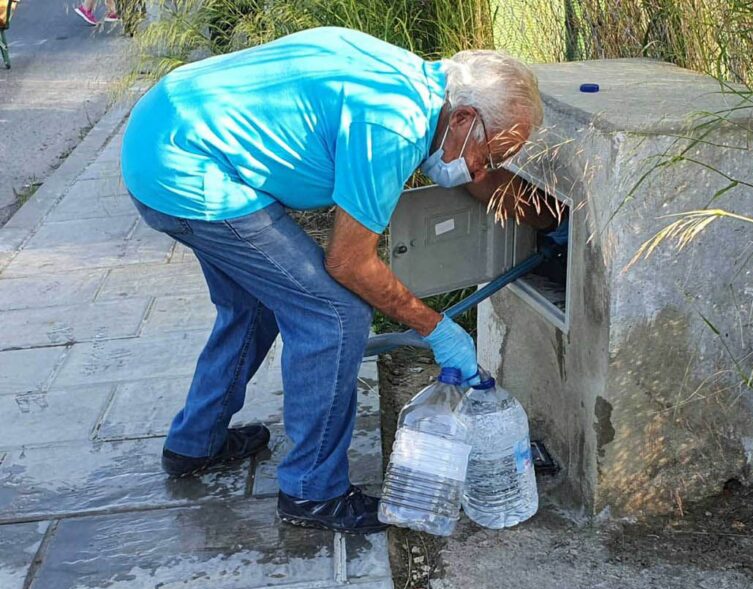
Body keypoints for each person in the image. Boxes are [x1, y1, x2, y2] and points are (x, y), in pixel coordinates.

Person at [121, 27, 558, 535]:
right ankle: (312, 492)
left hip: (162, 132)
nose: (486, 167)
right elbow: (349, 263)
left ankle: (195, 444)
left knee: (255, 304)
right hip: (188, 169)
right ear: (463, 119)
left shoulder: (420, 82)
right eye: (493, 153)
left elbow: (479, 175)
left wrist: (551, 221)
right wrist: (435, 328)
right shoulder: (393, 126)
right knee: (333, 314)